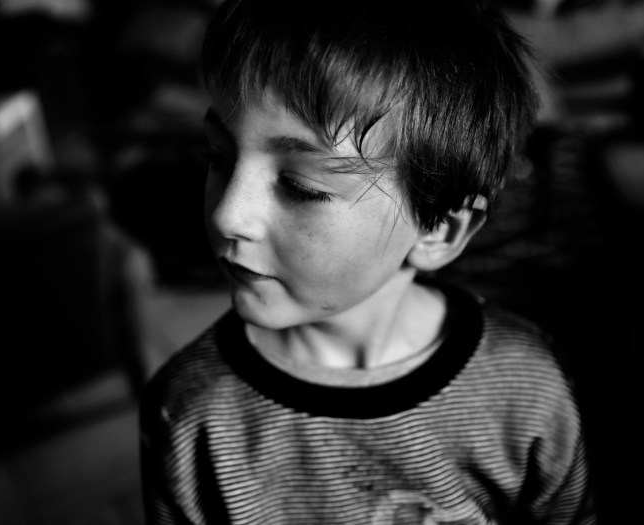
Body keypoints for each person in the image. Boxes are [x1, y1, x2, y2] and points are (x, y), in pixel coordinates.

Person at [139, 0, 596, 523]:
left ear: (439, 230)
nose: (228, 215)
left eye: (300, 186)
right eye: (219, 158)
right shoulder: (191, 412)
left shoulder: (524, 383)